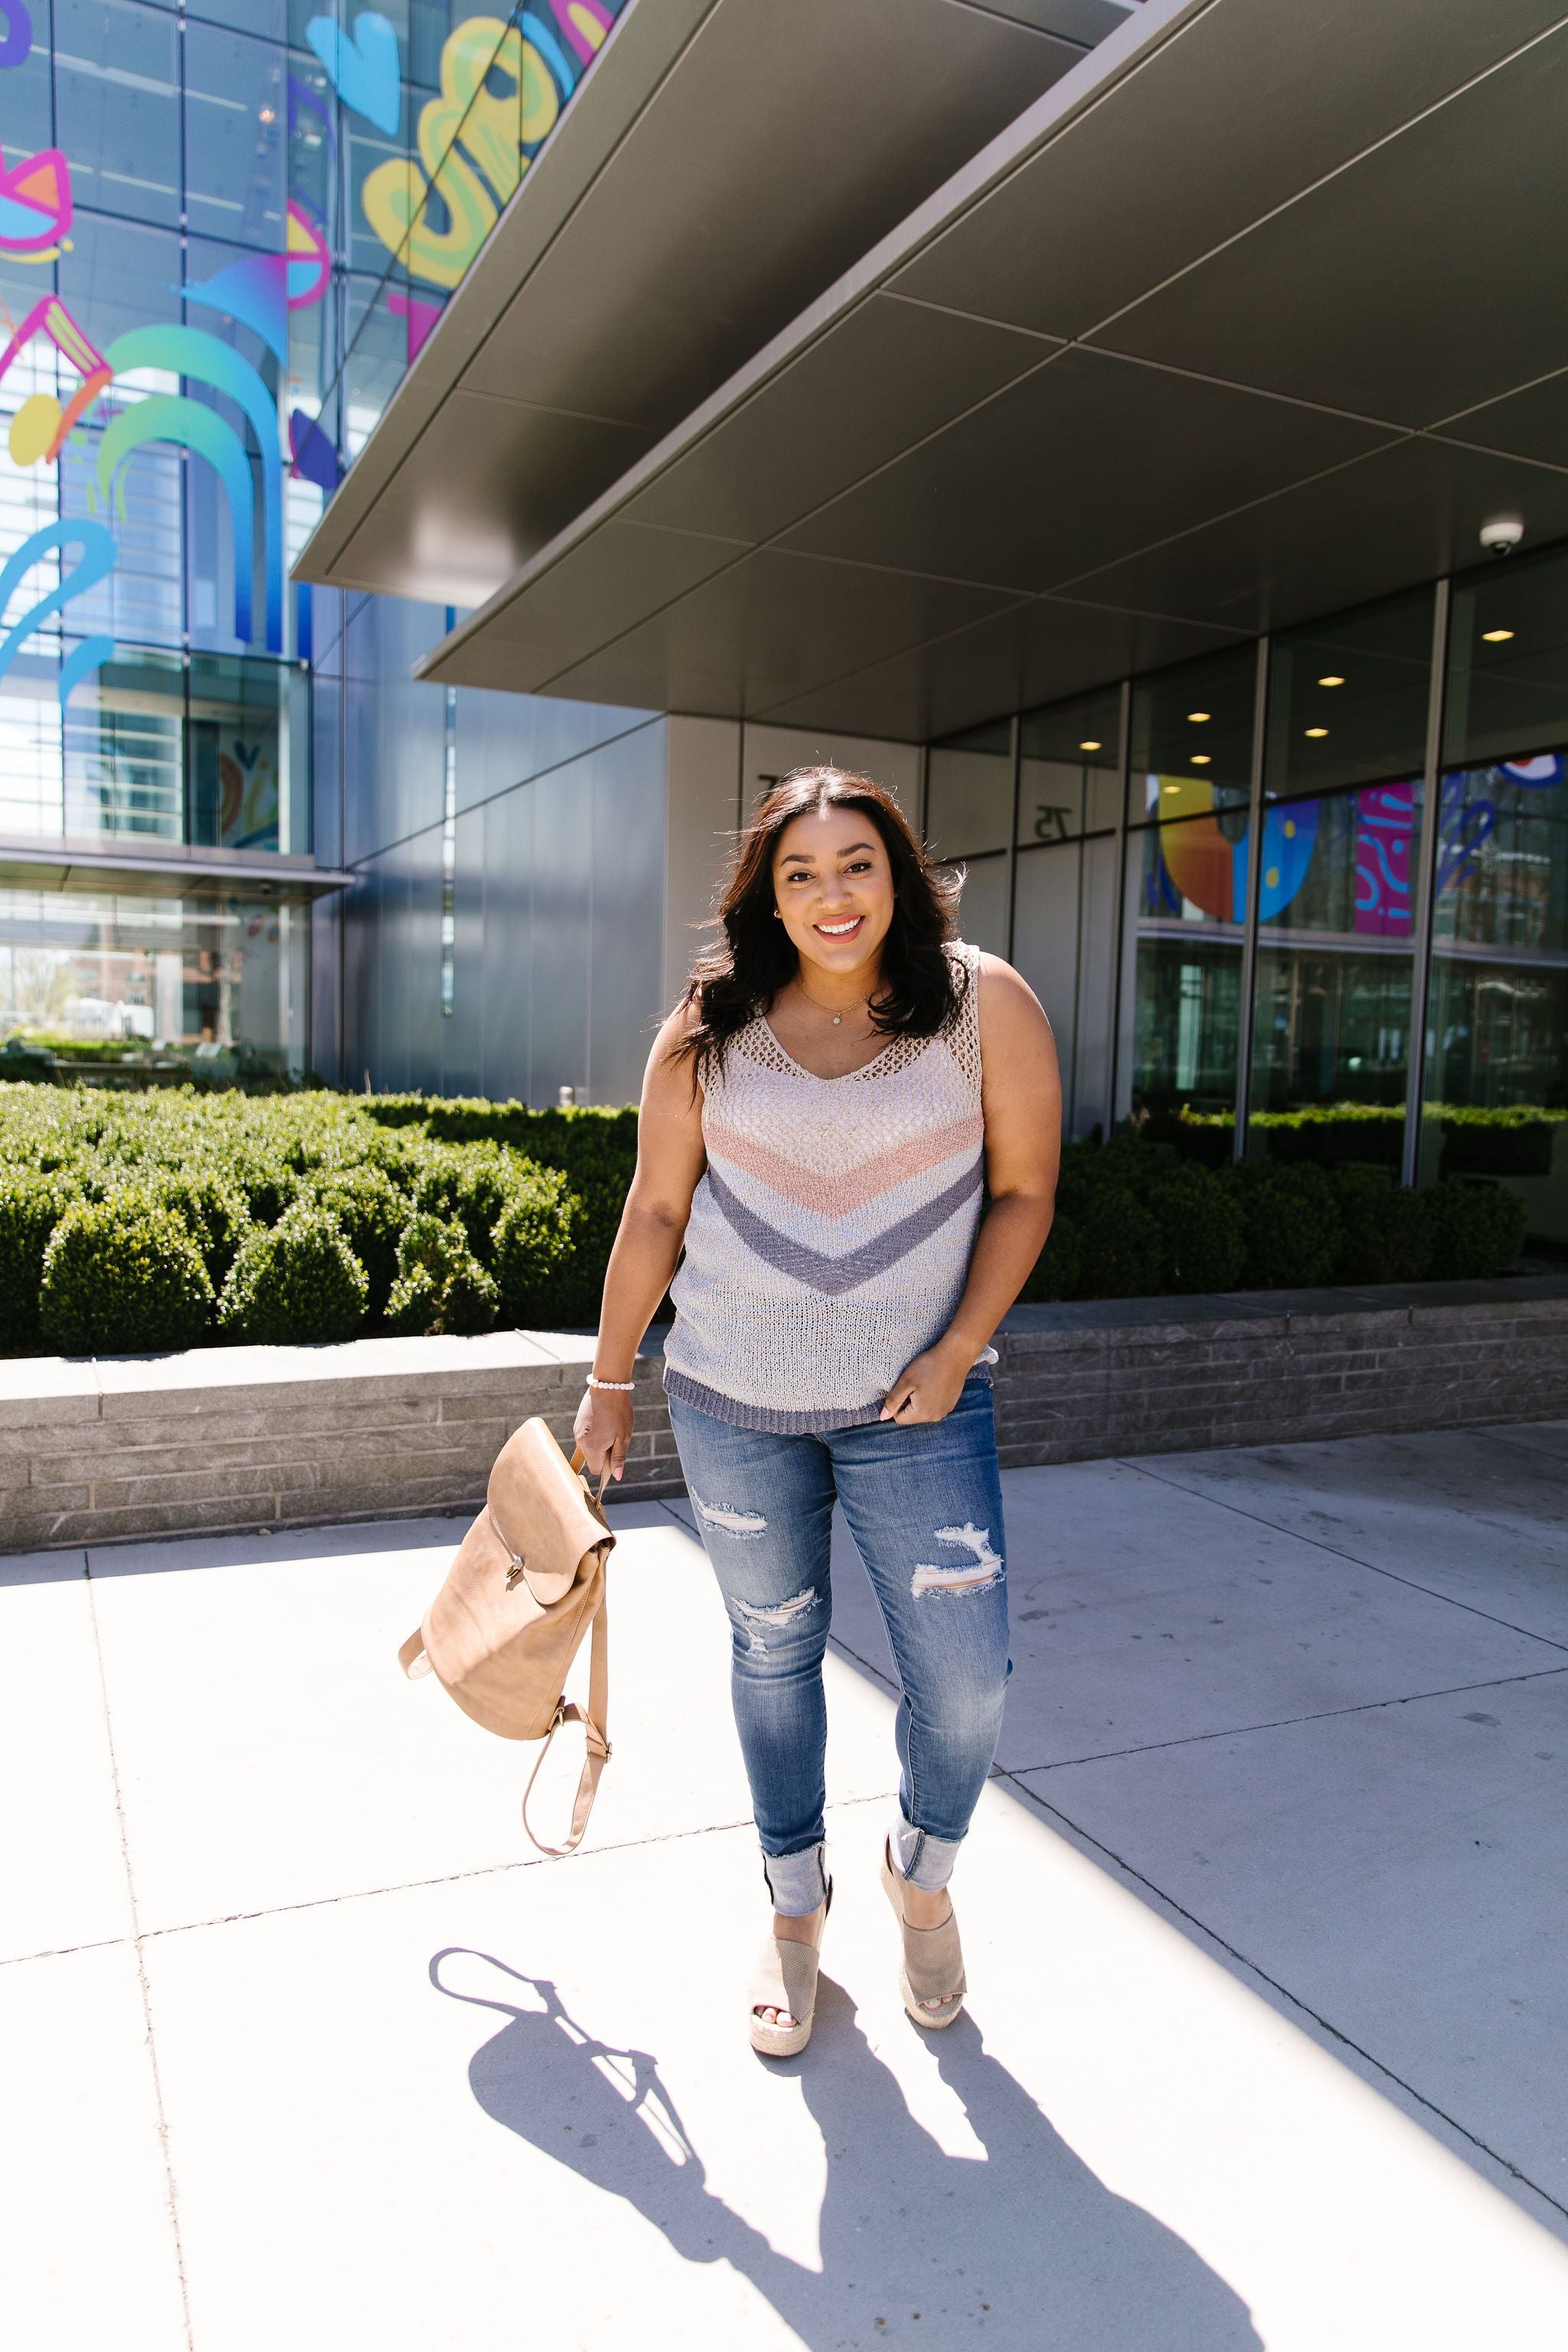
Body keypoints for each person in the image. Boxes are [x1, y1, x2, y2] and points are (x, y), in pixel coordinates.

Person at [574, 766, 1060, 2058]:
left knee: (968, 1683)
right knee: (774, 1655)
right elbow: (658, 1215)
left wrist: (961, 1347)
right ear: (767, 899)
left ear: (897, 875)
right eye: (801, 875)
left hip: (922, 1407)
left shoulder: (977, 1006)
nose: (832, 895)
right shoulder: (706, 1028)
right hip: (735, 1404)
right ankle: (795, 1911)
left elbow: (1023, 1192)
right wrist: (610, 1376)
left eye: (856, 865)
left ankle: (922, 1870)